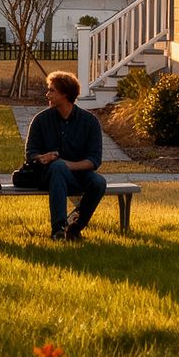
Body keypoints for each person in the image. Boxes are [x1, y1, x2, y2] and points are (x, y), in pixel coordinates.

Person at [25, 70, 107, 240]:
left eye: (52, 90)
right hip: (47, 176)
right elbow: (31, 153)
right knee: (57, 167)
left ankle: (75, 227)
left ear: (65, 95)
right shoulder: (41, 120)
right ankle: (58, 229)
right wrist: (43, 157)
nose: (47, 94)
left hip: (79, 175)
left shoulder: (89, 122)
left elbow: (94, 160)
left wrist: (67, 164)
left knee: (99, 182)